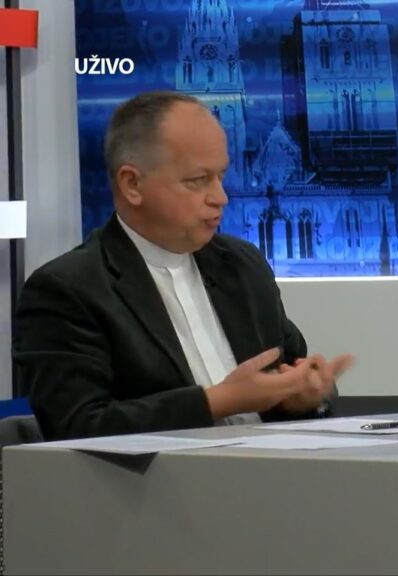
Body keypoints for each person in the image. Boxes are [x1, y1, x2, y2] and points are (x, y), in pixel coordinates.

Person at [13, 91, 354, 440]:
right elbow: (77, 427)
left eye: (221, 176)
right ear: (132, 184)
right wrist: (220, 401)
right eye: (198, 180)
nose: (220, 197)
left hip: (272, 468)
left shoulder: (243, 266)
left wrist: (303, 396)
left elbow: (292, 374)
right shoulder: (67, 289)